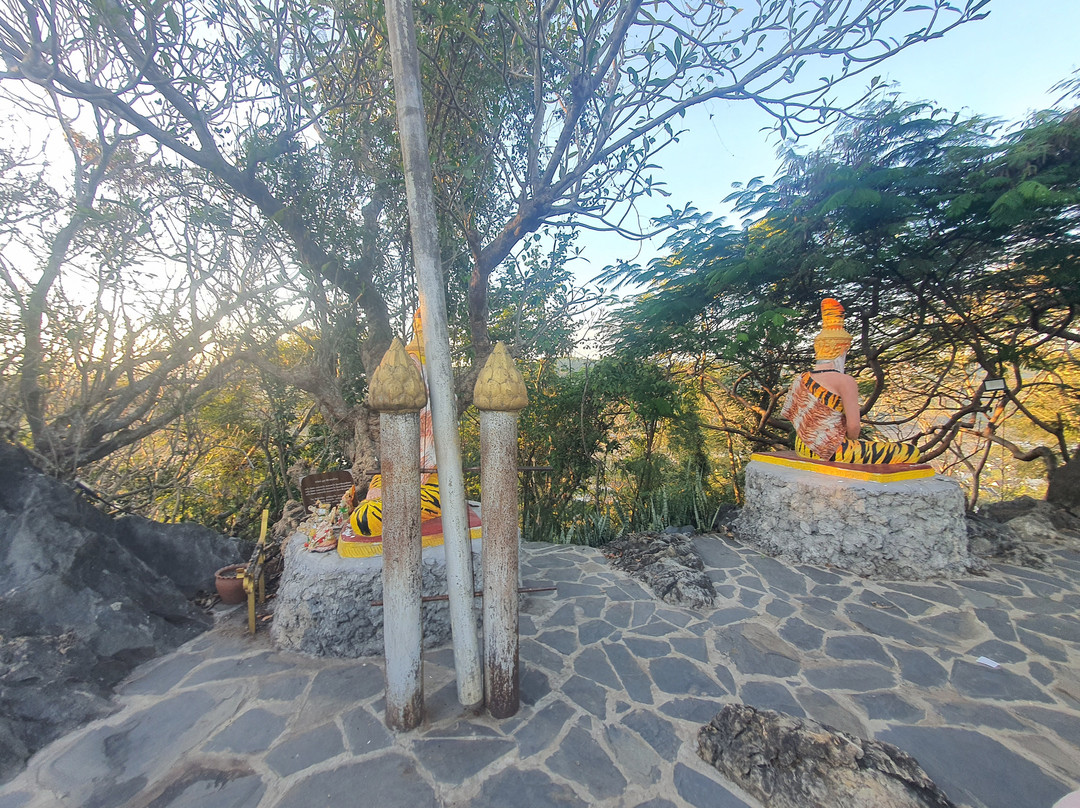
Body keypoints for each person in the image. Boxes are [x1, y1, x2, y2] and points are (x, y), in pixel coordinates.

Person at [781, 298, 920, 465]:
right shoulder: (845, 381)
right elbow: (853, 427)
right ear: (840, 350)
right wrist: (851, 442)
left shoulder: (801, 378)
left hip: (803, 447)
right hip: (830, 450)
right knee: (910, 452)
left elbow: (793, 416)